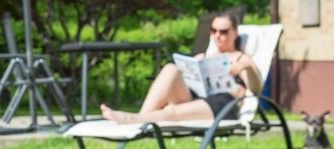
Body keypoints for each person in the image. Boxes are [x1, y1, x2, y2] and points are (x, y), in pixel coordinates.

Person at [101, 13, 261, 124]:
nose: (218, 35)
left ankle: (132, 120)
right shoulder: (204, 57)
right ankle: (141, 118)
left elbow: (255, 89)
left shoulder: (241, 59)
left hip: (221, 104)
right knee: (171, 69)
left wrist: (246, 67)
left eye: (223, 31)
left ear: (235, 33)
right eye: (214, 30)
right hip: (196, 96)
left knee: (172, 112)